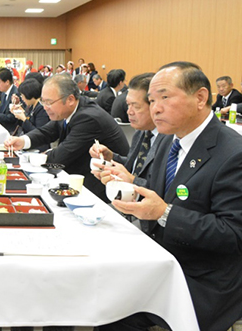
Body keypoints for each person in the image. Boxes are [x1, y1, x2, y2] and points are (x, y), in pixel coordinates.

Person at [100, 62, 242, 331]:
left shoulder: (232, 153)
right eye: (152, 100)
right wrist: (130, 185)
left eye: (165, 97)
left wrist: (163, 213)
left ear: (200, 98)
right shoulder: (168, 140)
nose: (156, 108)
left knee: (113, 313)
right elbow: (160, 193)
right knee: (99, 286)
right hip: (158, 257)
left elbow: (234, 234)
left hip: (203, 277)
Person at [4, 74, 129, 201]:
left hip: (103, 184)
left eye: (49, 102)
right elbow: (47, 131)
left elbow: (60, 157)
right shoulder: (69, 110)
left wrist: (29, 157)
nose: (45, 107)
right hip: (79, 170)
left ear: (70, 99)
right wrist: (22, 141)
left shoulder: (87, 117)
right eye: (43, 101)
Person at [90, 73, 169, 188]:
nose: (129, 112)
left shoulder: (171, 140)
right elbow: (134, 166)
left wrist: (132, 180)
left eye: (136, 107)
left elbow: (162, 190)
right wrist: (111, 157)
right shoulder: (141, 132)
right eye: (128, 105)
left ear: (154, 106)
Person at [11, 79, 50, 144]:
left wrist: (24, 119)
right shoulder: (31, 106)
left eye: (22, 96)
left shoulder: (42, 108)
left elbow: (38, 133)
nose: (22, 99)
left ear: (29, 94)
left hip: (39, 146)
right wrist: (19, 115)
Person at [0, 68, 21, 133]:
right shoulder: (3, 92)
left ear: (7, 82)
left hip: (10, 129)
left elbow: (12, 118)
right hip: (2, 125)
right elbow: (1, 109)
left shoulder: (15, 94)